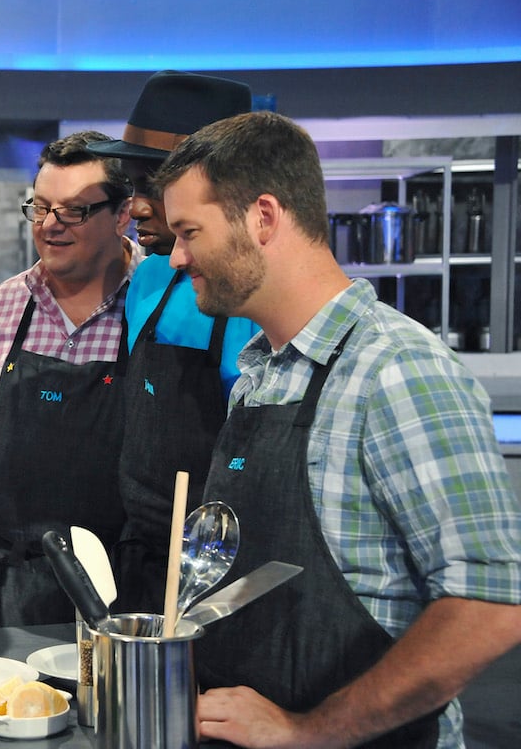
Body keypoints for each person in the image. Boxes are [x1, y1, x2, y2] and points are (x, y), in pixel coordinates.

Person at [154, 110, 521, 748]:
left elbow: (490, 607)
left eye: (189, 232)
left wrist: (310, 732)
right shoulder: (257, 375)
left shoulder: (398, 368)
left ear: (263, 217)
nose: (177, 257)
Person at [0, 131, 141, 629]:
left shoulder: (155, 304)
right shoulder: (4, 306)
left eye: (74, 211)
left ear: (122, 214)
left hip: (118, 590)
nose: (50, 225)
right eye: (42, 207)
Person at [86, 70, 261, 613]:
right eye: (132, 185)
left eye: (152, 186)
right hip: (139, 558)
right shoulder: (148, 278)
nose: (136, 207)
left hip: (217, 571)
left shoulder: (254, 301)